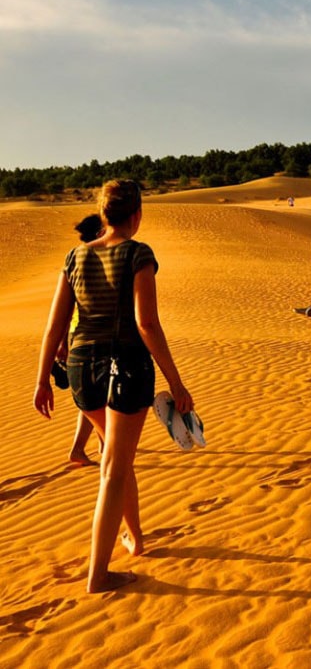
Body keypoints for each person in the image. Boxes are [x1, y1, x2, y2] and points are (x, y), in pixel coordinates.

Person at [34, 179, 194, 593]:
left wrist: (41, 381)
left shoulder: (75, 256)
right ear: (137, 214)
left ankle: (135, 538)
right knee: (113, 468)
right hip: (126, 365)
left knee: (116, 458)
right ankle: (98, 575)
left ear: (104, 214)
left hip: (82, 366)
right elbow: (146, 323)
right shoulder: (139, 254)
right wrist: (177, 382)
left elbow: (54, 326)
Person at [56, 214, 106, 466]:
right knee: (97, 396)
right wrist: (62, 342)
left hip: (80, 337)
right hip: (89, 338)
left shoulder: (78, 257)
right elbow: (66, 308)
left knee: (95, 396)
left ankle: (100, 443)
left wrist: (62, 342)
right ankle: (90, 446)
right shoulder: (90, 259)